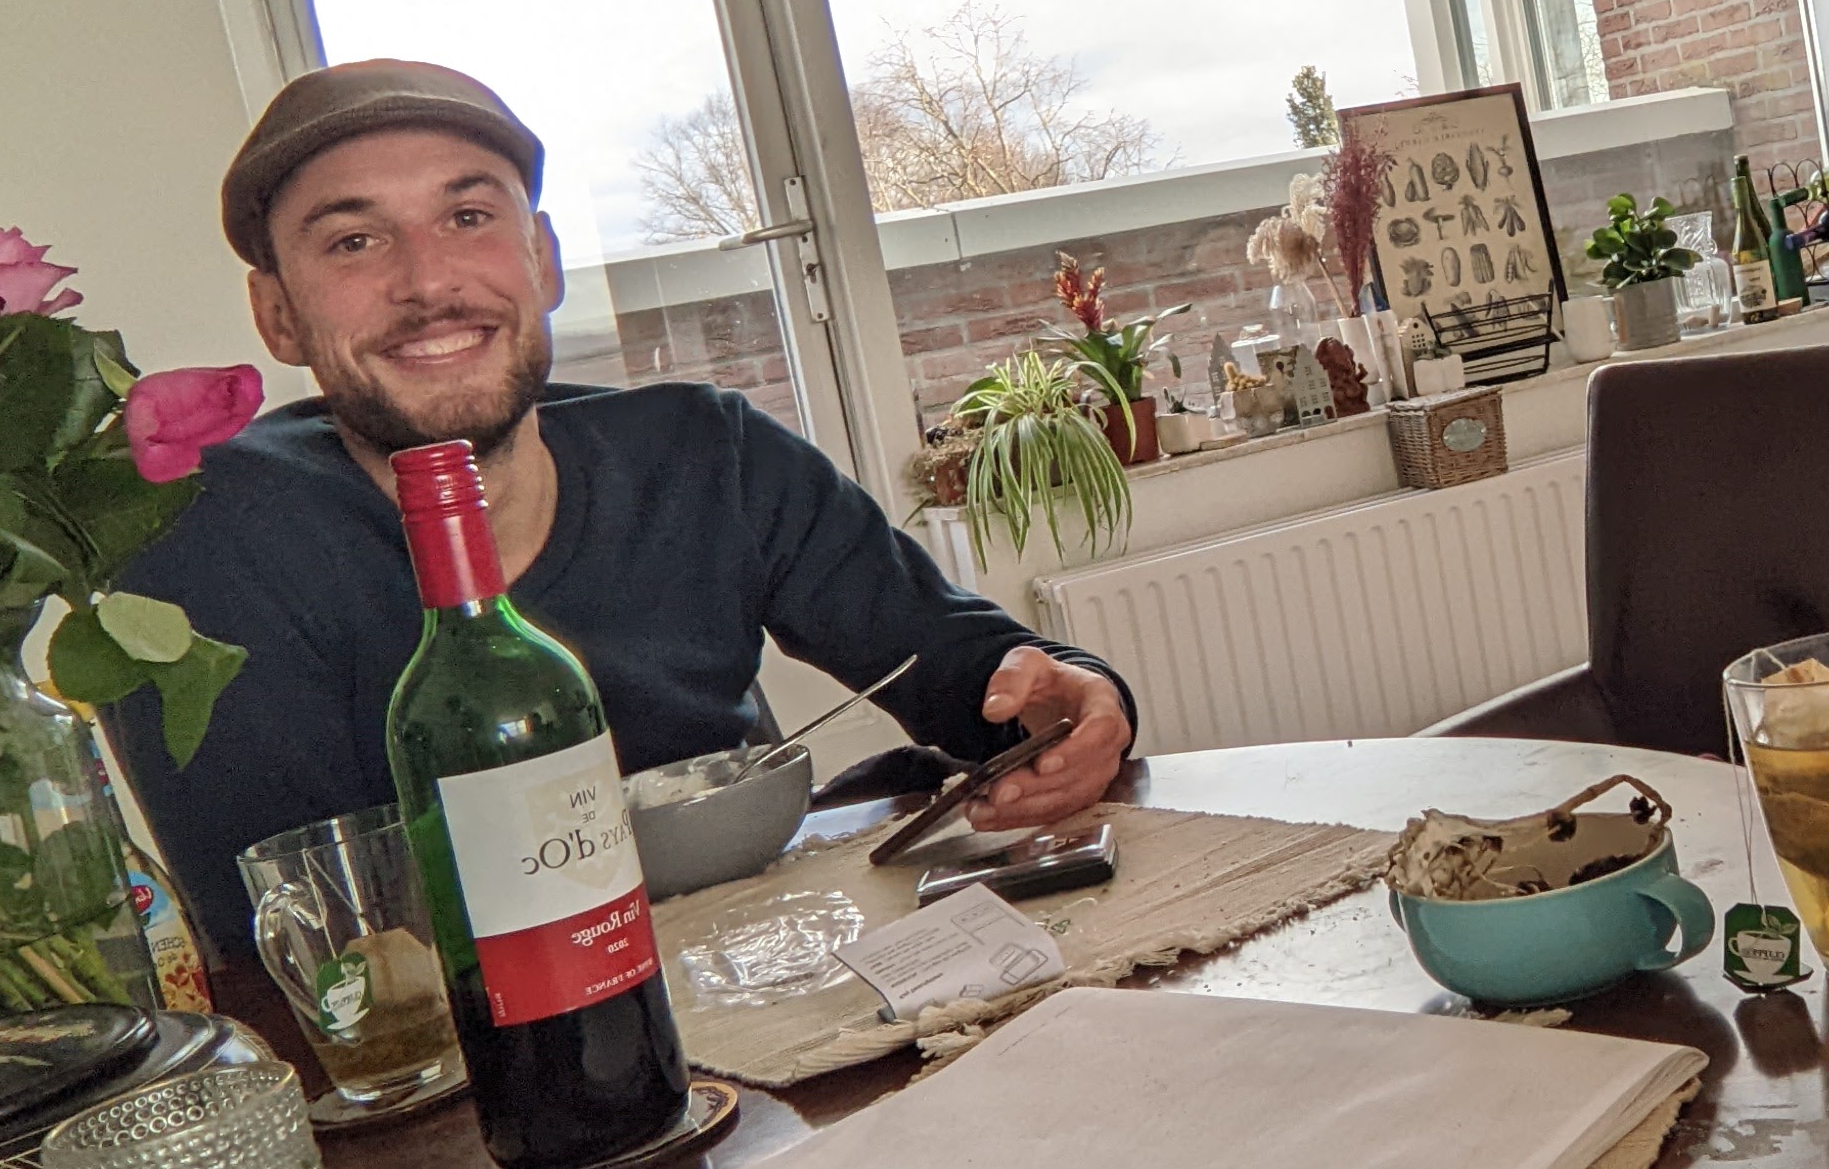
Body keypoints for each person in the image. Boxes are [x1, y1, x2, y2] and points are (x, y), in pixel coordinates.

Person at [106, 60, 1134, 958]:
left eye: (469, 218)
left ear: (543, 260)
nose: (428, 281)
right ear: (277, 313)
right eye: (354, 241)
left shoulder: (709, 454)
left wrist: (1071, 706)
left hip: (774, 972)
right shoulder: (204, 543)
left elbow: (970, 673)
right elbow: (305, 939)